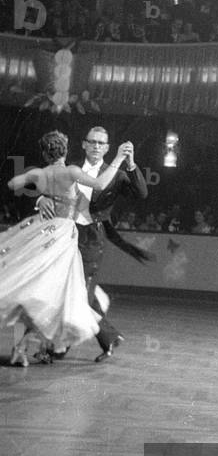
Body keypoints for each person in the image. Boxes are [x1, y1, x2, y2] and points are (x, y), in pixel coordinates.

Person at [1, 131, 129, 366]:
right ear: (66, 150)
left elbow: (12, 183)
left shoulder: (38, 173)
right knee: (54, 293)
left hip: (42, 232)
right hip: (61, 238)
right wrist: (119, 159)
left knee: (38, 290)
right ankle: (34, 346)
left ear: (44, 152)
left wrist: (41, 195)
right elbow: (101, 183)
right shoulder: (71, 171)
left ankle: (26, 348)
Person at [38, 127, 149, 362]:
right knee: (69, 291)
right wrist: (42, 197)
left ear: (108, 148)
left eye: (102, 143)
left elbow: (141, 193)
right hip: (67, 236)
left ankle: (61, 346)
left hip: (92, 238)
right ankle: (109, 338)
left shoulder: (116, 172)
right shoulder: (71, 166)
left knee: (78, 297)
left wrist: (130, 163)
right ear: (84, 144)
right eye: (93, 142)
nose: (97, 146)